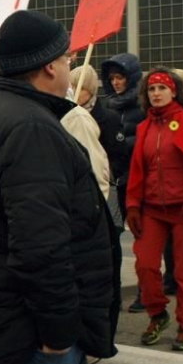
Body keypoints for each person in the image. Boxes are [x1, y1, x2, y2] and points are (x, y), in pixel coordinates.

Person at [0, 10, 114, 364]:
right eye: (66, 60)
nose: (68, 67)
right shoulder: (29, 128)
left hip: (31, 325)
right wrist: (59, 337)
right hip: (31, 334)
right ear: (49, 66)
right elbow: (39, 244)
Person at [126, 67, 183, 351]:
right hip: (152, 209)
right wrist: (132, 204)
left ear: (174, 91)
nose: (156, 93)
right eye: (152, 89)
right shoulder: (143, 127)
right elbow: (136, 169)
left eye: (162, 88)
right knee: (144, 264)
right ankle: (157, 314)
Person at [71, 63, 128, 347]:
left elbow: (112, 158)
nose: (75, 92)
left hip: (105, 199)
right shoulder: (69, 116)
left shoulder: (102, 117)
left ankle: (103, 335)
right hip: (86, 205)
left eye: (80, 86)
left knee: (106, 266)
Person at [100, 53, 159, 311]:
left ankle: (147, 293)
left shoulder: (144, 106)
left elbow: (151, 141)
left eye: (120, 77)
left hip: (140, 183)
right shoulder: (108, 106)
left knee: (144, 241)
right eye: (112, 78)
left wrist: (125, 143)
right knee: (113, 234)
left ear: (131, 77)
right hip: (117, 181)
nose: (116, 82)